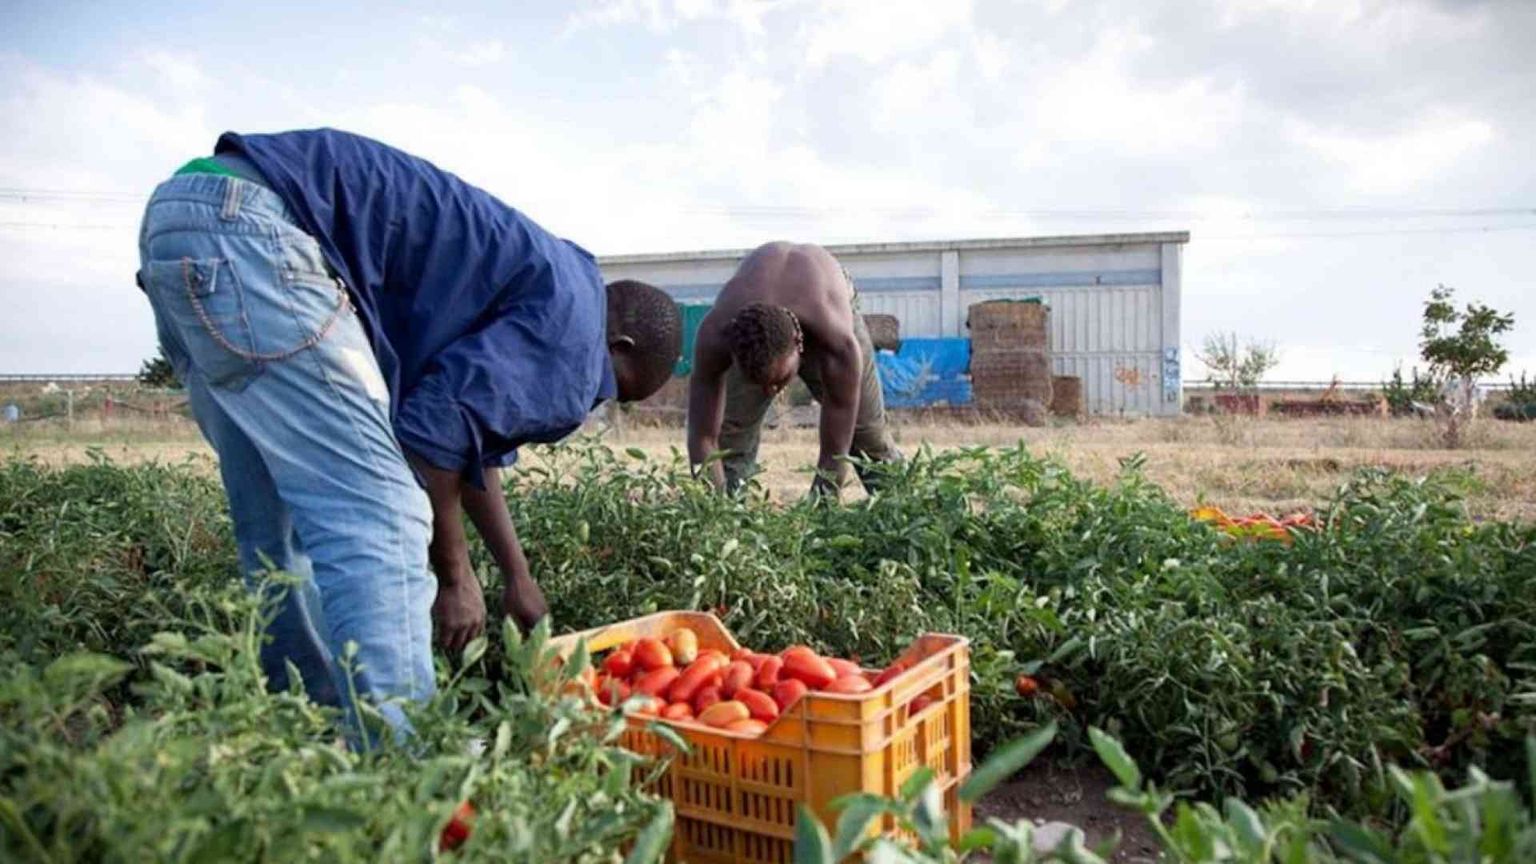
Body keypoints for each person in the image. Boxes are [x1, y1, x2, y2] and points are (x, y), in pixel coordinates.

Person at [135, 128, 681, 733]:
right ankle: (405, 771)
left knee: (278, 526)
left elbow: (467, 438)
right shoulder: (576, 341)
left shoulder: (556, 286)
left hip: (187, 215)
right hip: (259, 234)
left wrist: (516, 578)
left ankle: (310, 739)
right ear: (618, 346)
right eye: (611, 388)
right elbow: (432, 438)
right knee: (384, 516)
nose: (591, 402)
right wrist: (456, 576)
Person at [686, 241, 901, 498]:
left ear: (800, 345)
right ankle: (730, 518)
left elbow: (835, 451)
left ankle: (906, 513)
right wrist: (710, 512)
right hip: (754, 301)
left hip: (827, 293)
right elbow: (703, 439)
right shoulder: (717, 335)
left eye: (778, 381)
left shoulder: (838, 343)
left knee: (867, 436)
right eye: (758, 381)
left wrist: (821, 514)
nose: (771, 392)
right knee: (729, 438)